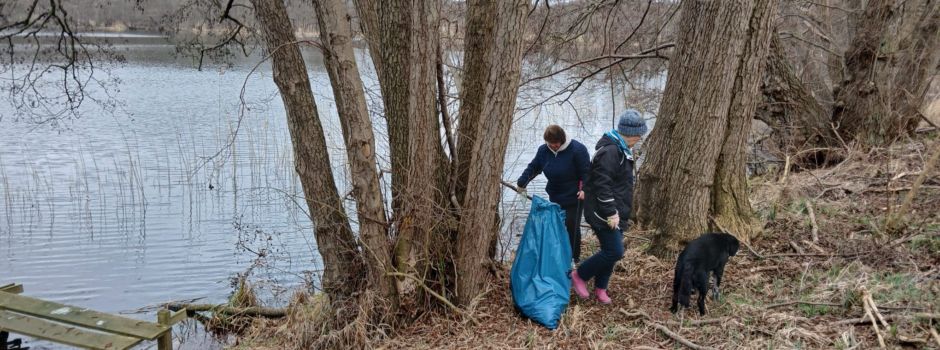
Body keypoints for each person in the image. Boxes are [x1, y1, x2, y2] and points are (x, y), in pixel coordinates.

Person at [570, 109, 647, 305]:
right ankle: (579, 275)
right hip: (602, 213)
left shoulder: (622, 149)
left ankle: (601, 288)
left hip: (616, 212)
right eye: (638, 135)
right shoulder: (611, 152)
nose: (639, 139)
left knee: (609, 251)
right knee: (615, 251)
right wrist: (611, 212)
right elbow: (601, 185)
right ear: (629, 133)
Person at [517, 124, 590, 264]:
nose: (554, 147)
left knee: (571, 224)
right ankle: (559, 255)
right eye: (551, 144)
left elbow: (586, 172)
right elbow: (534, 167)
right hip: (555, 195)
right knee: (557, 225)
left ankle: (574, 258)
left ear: (562, 140)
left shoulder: (577, 150)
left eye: (556, 144)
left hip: (575, 196)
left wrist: (585, 189)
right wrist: (522, 182)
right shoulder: (543, 150)